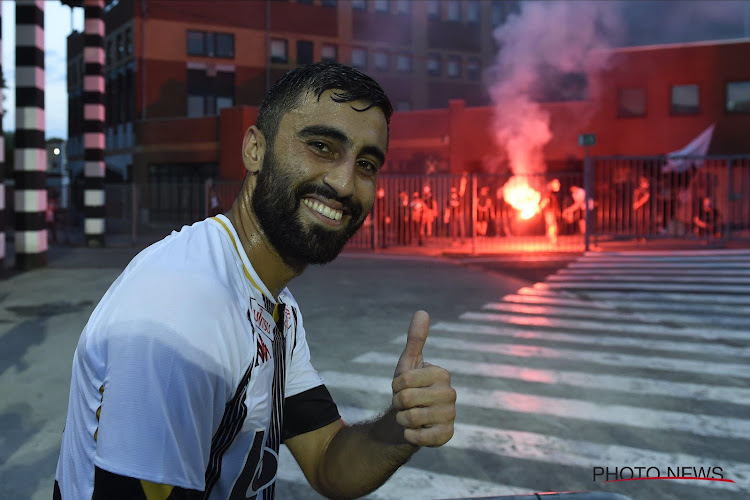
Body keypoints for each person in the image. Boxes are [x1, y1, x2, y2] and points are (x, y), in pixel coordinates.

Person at [53, 62, 456, 500]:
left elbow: (325, 458)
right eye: (321, 145)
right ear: (255, 150)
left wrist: (398, 428)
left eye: (365, 163)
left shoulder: (273, 304)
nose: (344, 183)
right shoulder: (179, 310)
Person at [539, 178, 561, 245]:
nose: (559, 185)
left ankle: (550, 239)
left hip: (550, 212)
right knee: (552, 226)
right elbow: (545, 201)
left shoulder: (550, 194)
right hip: (549, 212)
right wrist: (540, 207)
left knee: (550, 226)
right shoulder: (549, 193)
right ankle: (553, 240)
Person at [632, 176, 651, 241]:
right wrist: (635, 204)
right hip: (639, 209)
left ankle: (643, 237)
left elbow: (645, 199)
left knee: (644, 222)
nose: (647, 184)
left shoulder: (646, 192)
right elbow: (635, 199)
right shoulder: (637, 190)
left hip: (644, 209)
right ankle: (636, 236)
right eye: (645, 182)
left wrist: (638, 204)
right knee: (638, 222)